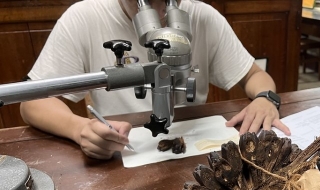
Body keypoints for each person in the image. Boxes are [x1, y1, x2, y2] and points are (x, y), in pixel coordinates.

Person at [19, 0, 291, 160]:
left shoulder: (204, 17)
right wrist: (79, 128)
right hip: (124, 154)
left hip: (196, 151)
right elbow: (32, 102)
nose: (160, 12)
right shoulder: (84, 17)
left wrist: (265, 98)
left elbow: (255, 75)